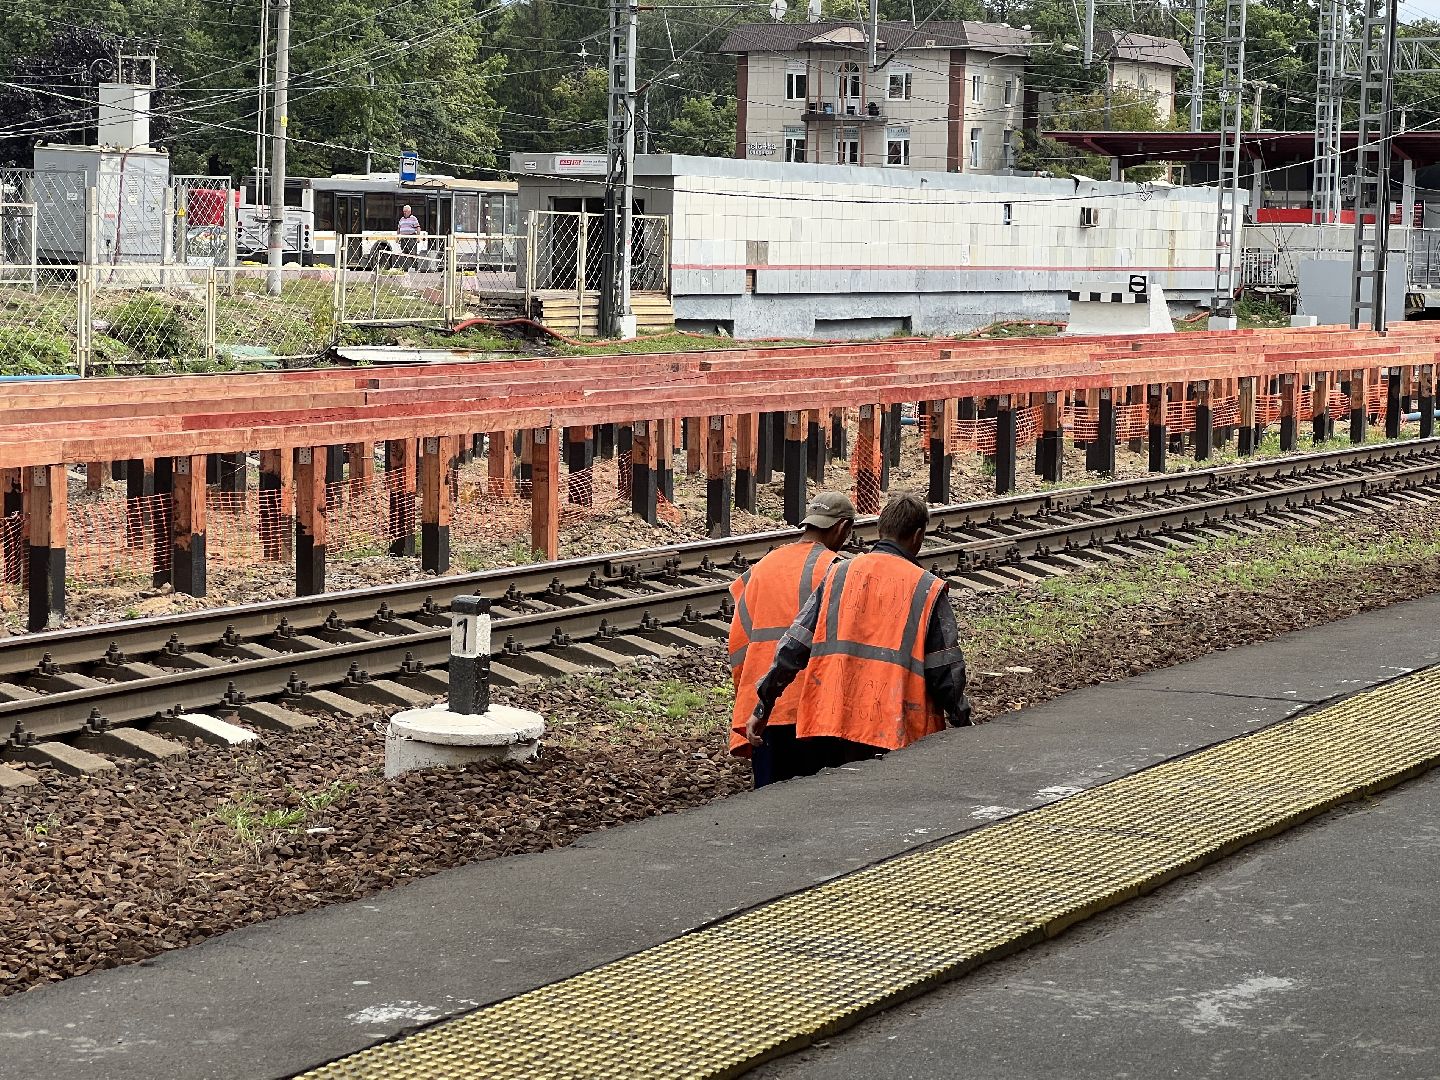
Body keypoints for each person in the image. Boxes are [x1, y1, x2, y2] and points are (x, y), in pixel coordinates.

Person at [747, 492, 970, 772]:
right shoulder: (926, 587)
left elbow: (793, 646)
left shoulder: (838, 574)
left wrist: (763, 705)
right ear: (917, 535)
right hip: (896, 728)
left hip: (833, 721)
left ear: (880, 529)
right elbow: (945, 671)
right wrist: (963, 721)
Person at [728, 491, 855, 788]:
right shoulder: (838, 571)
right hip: (820, 711)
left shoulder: (760, 569)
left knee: (771, 812)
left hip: (768, 711)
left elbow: (737, 644)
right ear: (842, 528)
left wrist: (752, 699)